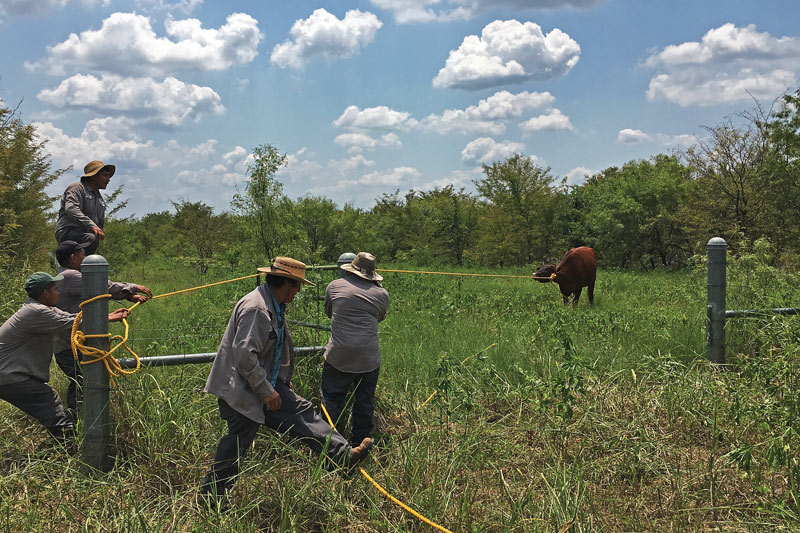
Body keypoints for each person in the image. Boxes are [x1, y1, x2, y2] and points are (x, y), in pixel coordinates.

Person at [200, 257, 373, 501]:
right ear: (287, 283)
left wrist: (279, 381)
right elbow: (244, 357)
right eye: (298, 286)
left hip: (264, 383)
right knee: (237, 444)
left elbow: (273, 347)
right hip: (241, 389)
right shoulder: (257, 308)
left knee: (302, 412)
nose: (299, 292)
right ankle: (210, 498)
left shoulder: (273, 304)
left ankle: (343, 456)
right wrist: (266, 391)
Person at [0, 272, 129, 443]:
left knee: (47, 404)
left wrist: (108, 315)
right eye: (55, 289)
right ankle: (66, 446)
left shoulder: (38, 308)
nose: (58, 293)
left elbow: (70, 319)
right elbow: (74, 322)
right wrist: (109, 317)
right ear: (45, 293)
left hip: (8, 374)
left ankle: (60, 444)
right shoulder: (36, 312)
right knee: (49, 401)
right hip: (8, 375)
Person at [52, 240, 152, 422]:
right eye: (83, 255)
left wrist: (130, 296)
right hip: (70, 345)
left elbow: (98, 293)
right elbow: (100, 287)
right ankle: (76, 424)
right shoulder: (70, 276)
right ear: (73, 258)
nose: (86, 258)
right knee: (82, 382)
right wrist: (134, 287)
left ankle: (80, 423)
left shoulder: (63, 276)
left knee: (82, 382)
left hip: (71, 342)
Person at [320, 252, 389, 447]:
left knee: (332, 399)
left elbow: (329, 311)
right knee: (364, 400)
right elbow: (379, 317)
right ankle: (360, 443)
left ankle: (331, 446)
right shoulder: (381, 294)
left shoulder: (334, 287)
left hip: (338, 355)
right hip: (368, 357)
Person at [54, 160, 115, 255]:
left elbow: (99, 224)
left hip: (86, 235)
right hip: (68, 231)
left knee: (93, 240)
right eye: (105, 175)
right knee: (91, 238)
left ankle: (84, 265)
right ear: (93, 177)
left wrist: (98, 230)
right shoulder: (77, 188)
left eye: (108, 176)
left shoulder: (100, 200)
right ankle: (77, 264)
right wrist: (92, 225)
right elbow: (71, 209)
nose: (108, 179)